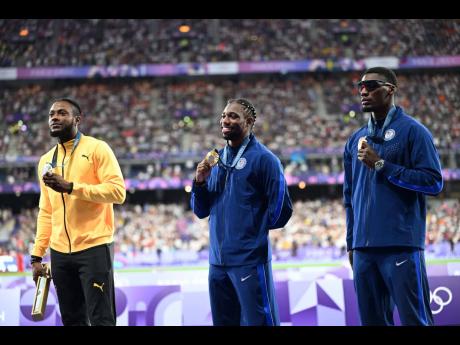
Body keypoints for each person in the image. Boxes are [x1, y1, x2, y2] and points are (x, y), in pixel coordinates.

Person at [343, 67, 443, 326]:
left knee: (415, 321)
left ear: (391, 89)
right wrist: (352, 242)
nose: (364, 91)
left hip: (401, 246)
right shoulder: (355, 139)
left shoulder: (414, 132)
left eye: (372, 85)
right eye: (360, 87)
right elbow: (349, 197)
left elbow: (433, 182)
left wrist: (382, 165)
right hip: (364, 250)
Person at [191, 98, 293, 326]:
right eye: (224, 115)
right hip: (217, 262)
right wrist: (199, 183)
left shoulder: (265, 160)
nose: (225, 120)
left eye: (233, 116)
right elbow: (200, 211)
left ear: (249, 122)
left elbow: (282, 211)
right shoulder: (214, 160)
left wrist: (251, 235)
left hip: (249, 261)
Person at [31, 98, 126, 326]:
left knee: (101, 319)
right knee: (72, 321)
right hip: (60, 254)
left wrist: (72, 187)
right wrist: (37, 255)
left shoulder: (97, 148)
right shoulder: (45, 160)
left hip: (94, 248)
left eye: (62, 113)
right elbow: (46, 211)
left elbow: (117, 192)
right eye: (52, 114)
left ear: (77, 119)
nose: (54, 117)